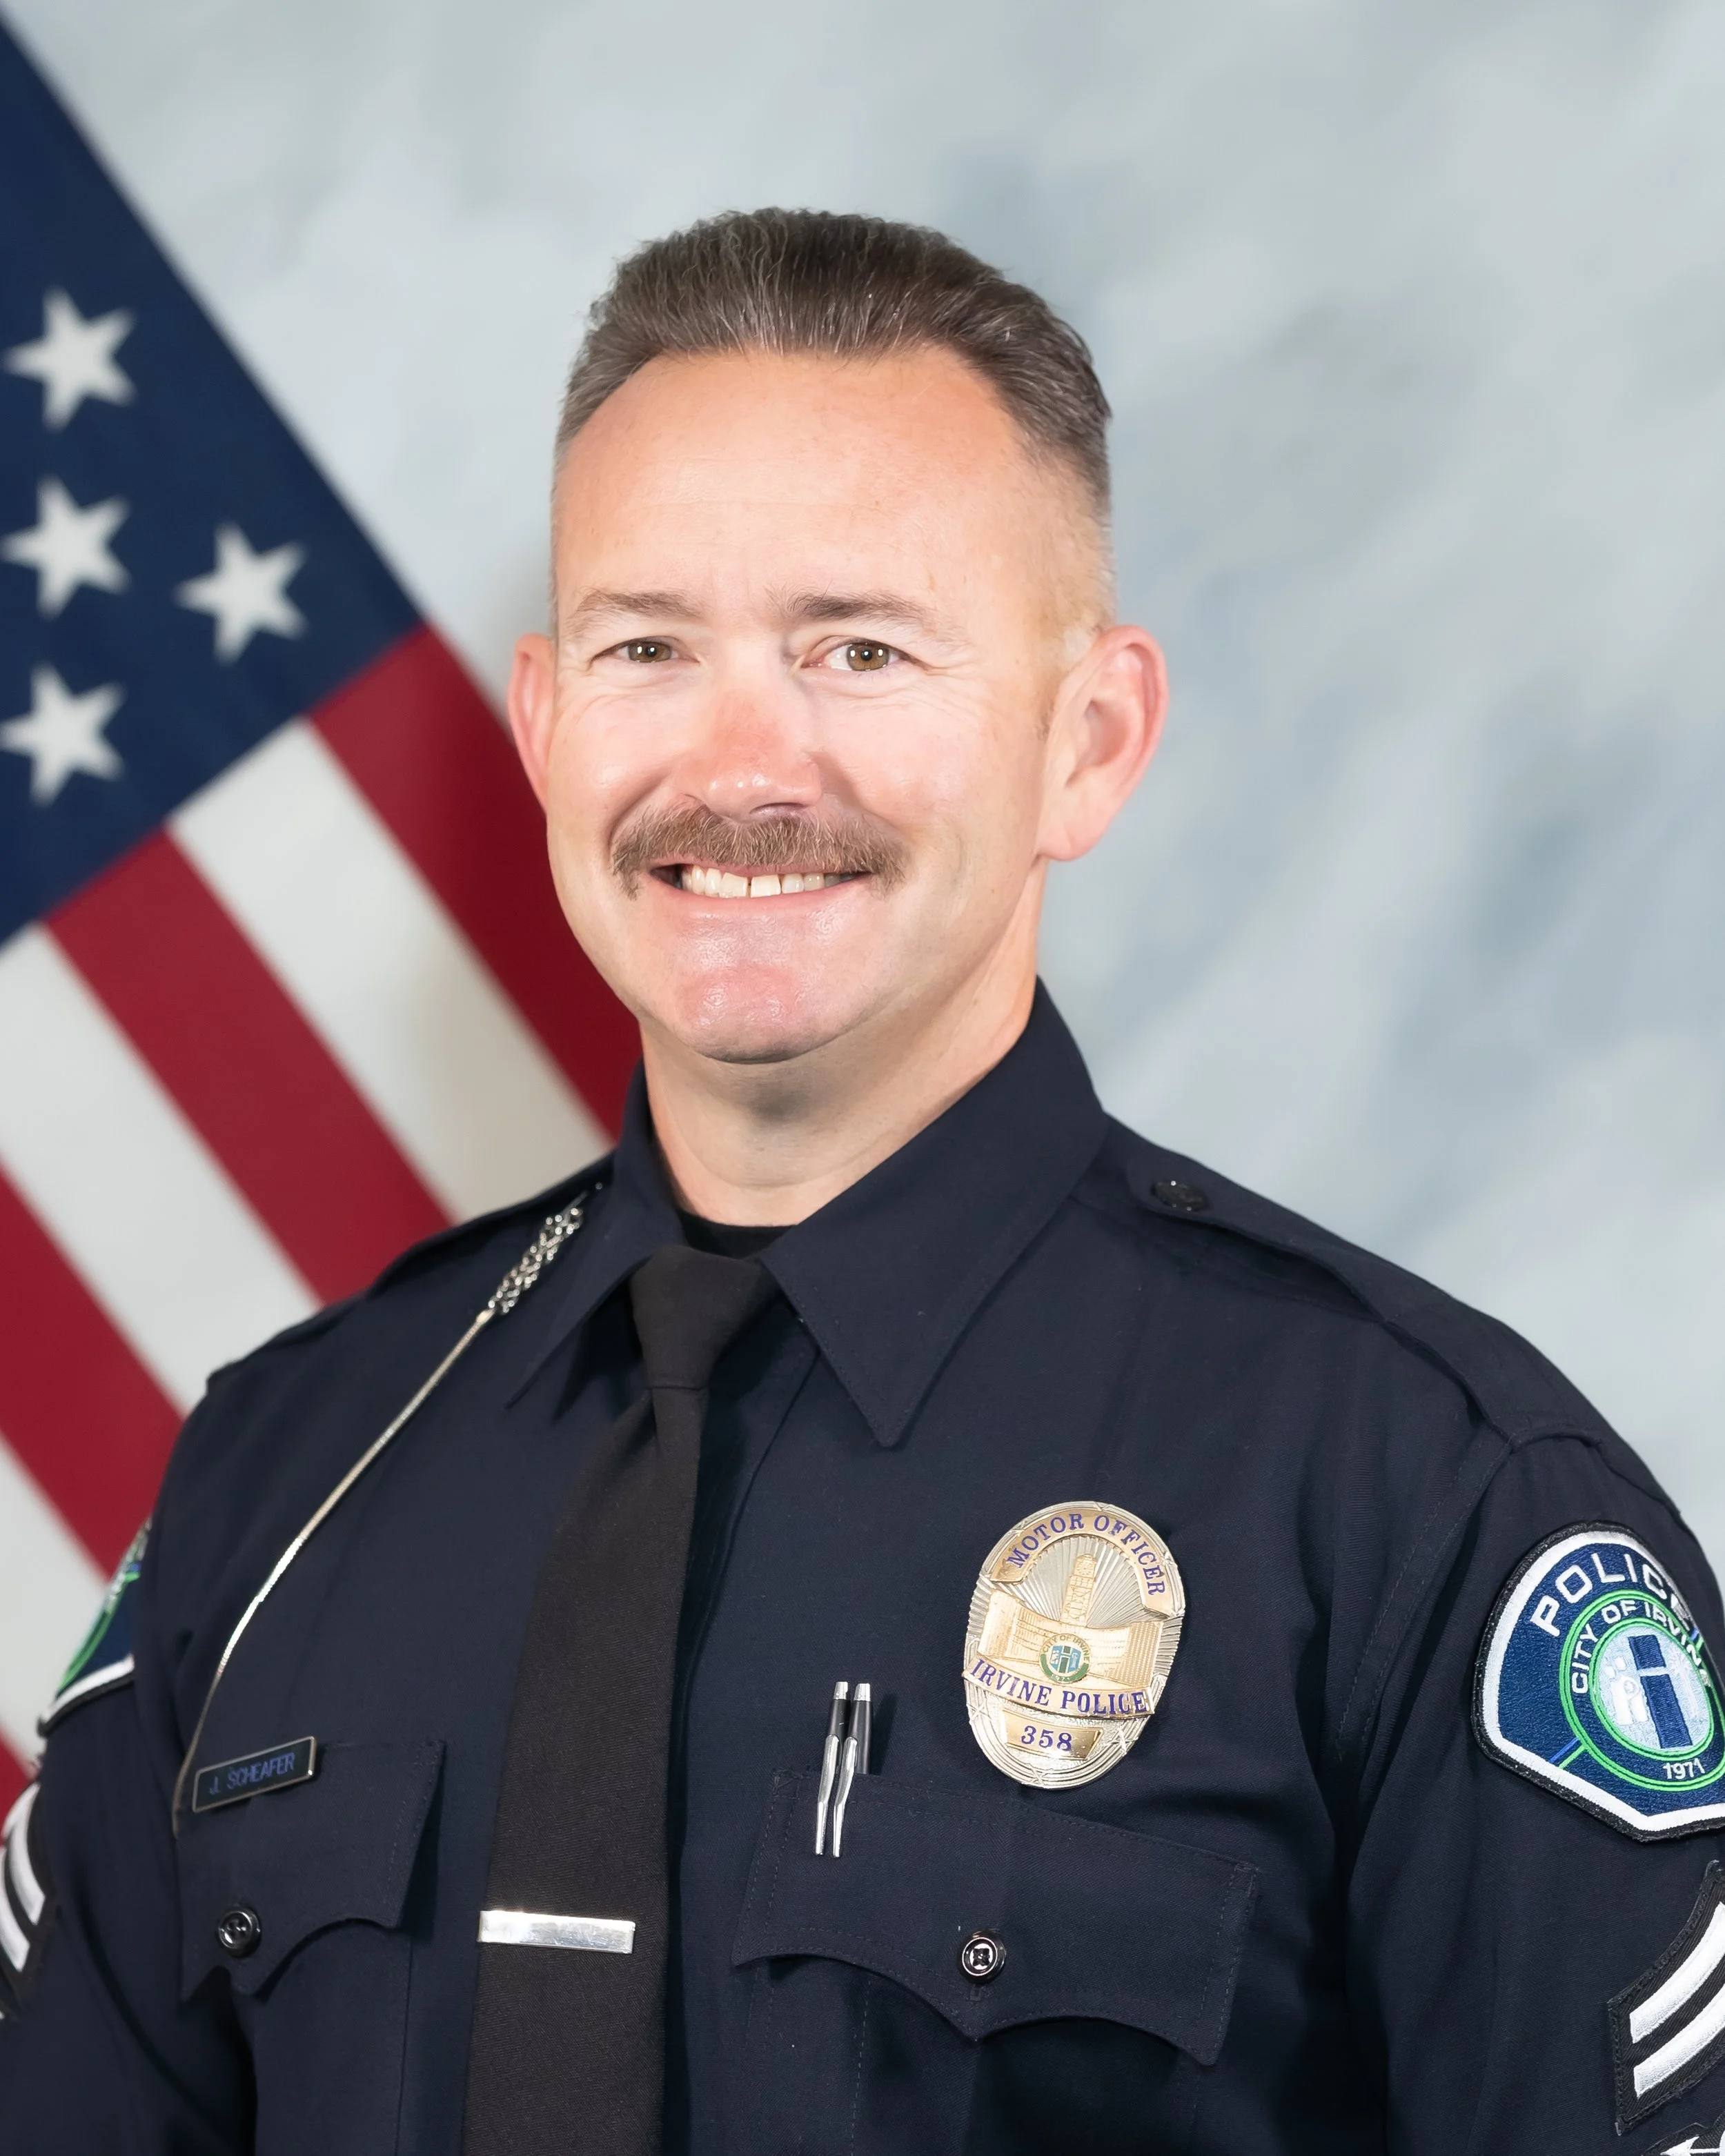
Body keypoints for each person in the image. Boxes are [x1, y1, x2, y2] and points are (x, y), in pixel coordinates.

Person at [2, 208, 1722, 2156]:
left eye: (860, 646)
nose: (743, 758)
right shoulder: (286, 1467)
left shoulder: (1421, 1504)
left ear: (1089, 741)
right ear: (549, 729)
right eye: (650, 647)